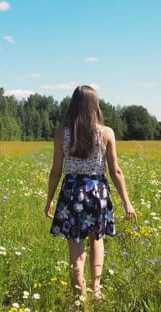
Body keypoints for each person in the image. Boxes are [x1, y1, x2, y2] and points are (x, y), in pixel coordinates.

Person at [45, 85, 136, 300]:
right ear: (95, 105)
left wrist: (49, 199)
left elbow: (55, 171)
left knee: (75, 248)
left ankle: (80, 297)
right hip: (97, 192)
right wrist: (127, 202)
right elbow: (116, 170)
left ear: (74, 105)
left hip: (71, 193)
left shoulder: (62, 135)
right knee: (97, 239)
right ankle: (97, 290)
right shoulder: (106, 133)